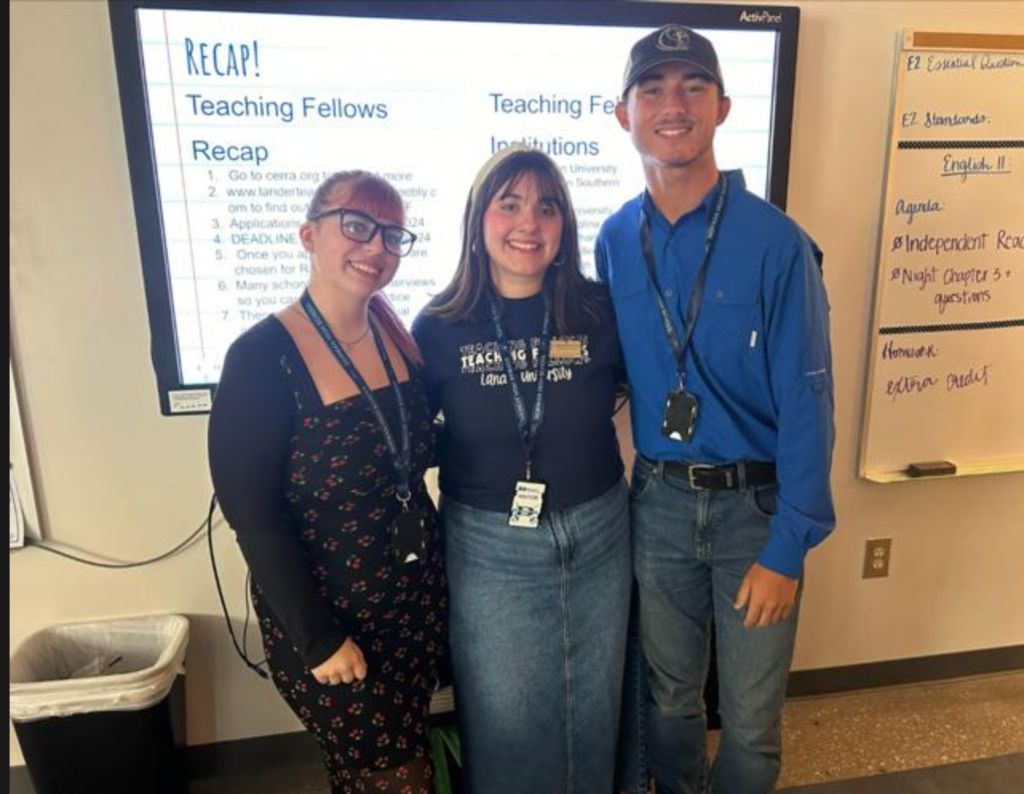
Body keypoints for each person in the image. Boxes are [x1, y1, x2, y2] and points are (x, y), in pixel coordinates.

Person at [596, 25, 836, 794]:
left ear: (724, 106)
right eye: (654, 89)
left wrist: (788, 547)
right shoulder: (610, 240)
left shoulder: (776, 243)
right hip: (659, 507)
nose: (674, 104)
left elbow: (809, 399)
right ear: (621, 113)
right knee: (667, 702)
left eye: (693, 86)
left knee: (751, 716)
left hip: (754, 516)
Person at [208, 171, 447, 794]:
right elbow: (253, 518)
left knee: (369, 773)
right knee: (398, 776)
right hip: (331, 620)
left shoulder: (400, 337)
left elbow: (418, 454)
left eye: (392, 235)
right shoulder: (261, 357)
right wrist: (318, 639)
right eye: (357, 226)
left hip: (412, 605)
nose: (376, 247)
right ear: (309, 234)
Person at [412, 147, 631, 794]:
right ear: (479, 220)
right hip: (489, 545)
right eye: (509, 204)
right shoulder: (438, 326)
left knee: (593, 706)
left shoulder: (598, 311)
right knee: (505, 714)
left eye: (546, 206)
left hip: (599, 532)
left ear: (565, 225)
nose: (528, 222)